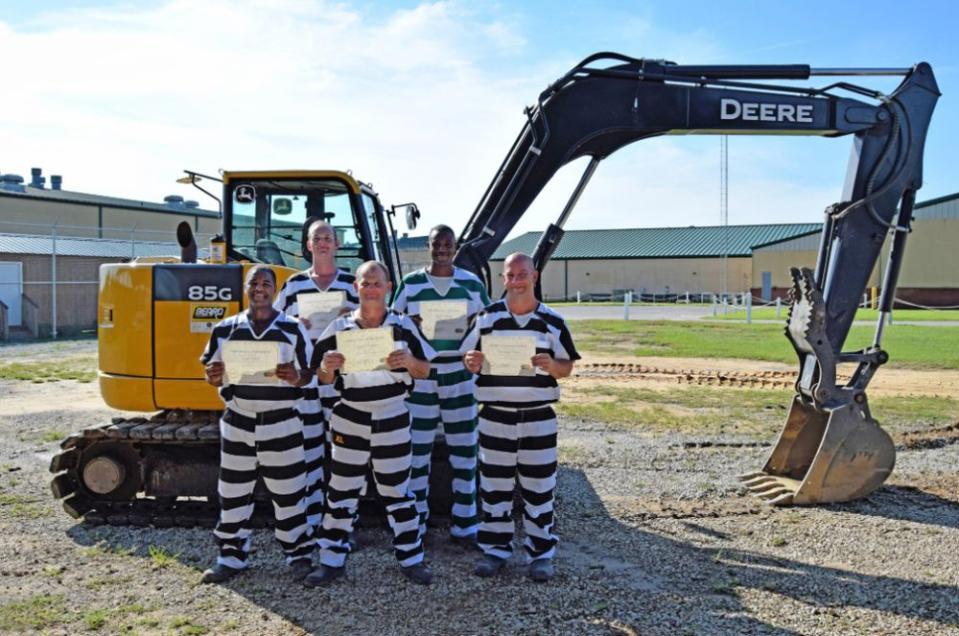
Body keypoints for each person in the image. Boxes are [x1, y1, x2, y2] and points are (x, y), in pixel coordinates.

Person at [305, 261, 437, 587]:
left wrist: (408, 361)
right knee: (341, 491)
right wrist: (327, 366)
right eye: (366, 283)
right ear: (356, 288)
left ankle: (411, 559)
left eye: (377, 282)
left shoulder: (404, 325)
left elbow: (426, 370)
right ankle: (331, 561)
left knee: (397, 491)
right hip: (350, 414)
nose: (371, 288)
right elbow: (320, 374)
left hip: (392, 413)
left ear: (388, 287)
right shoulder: (338, 327)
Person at [461, 252, 580, 583]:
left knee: (539, 487)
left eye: (522, 275)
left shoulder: (553, 321)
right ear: (503, 280)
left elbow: (567, 366)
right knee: (495, 487)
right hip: (495, 416)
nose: (516, 281)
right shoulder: (485, 319)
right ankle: (495, 550)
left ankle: (541, 554)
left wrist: (552, 366)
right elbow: (468, 358)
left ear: (535, 277)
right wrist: (471, 361)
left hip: (538, 417)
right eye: (510, 276)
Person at [199, 265, 315, 584]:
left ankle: (298, 555)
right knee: (234, 493)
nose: (260, 288)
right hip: (239, 421)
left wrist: (297, 376)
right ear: (246, 287)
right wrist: (212, 376)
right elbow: (212, 371)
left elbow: (309, 374)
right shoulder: (225, 329)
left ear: (275, 290)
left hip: (281, 421)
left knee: (290, 493)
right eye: (255, 282)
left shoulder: (292, 328)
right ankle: (231, 557)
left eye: (267, 283)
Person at [391, 224, 490, 546]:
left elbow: (487, 323)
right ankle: (416, 524)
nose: (442, 249)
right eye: (437, 243)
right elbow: (393, 322)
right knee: (417, 454)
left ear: (456, 247)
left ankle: (466, 524)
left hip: (460, 375)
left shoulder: (472, 284)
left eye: (448, 244)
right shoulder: (412, 283)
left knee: (465, 452)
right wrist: (411, 326)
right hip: (422, 376)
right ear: (429, 247)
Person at [274, 220, 359, 529]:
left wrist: (349, 320)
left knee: (345, 454)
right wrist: (293, 322)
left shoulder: (353, 284)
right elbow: (274, 325)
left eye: (328, 238)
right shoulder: (294, 285)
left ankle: (343, 523)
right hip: (306, 381)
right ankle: (311, 520)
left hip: (342, 382)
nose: (323, 243)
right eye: (317, 238)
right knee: (309, 453)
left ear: (336, 244)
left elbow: (375, 325)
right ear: (308, 246)